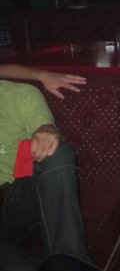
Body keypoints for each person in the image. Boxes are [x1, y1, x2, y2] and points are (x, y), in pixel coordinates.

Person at [0, 66, 93, 271]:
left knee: (54, 150)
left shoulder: (19, 95)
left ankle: (70, 260)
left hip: (14, 200)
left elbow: (46, 132)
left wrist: (47, 129)